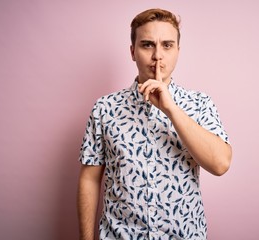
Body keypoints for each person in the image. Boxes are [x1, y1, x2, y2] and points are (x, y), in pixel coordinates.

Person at [77, 8, 232, 240]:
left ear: (178, 51)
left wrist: (171, 109)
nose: (158, 55)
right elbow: (89, 179)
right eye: (147, 44)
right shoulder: (104, 108)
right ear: (132, 51)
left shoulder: (200, 104)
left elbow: (220, 164)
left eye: (167, 45)